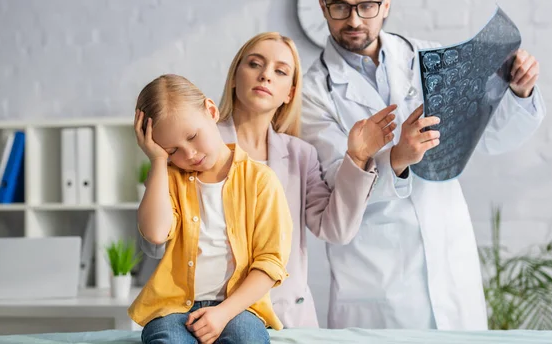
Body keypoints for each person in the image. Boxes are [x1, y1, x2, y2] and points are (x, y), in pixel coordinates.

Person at [301, 0, 546, 330]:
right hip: (374, 279)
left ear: (386, 5)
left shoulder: (431, 59)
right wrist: (395, 159)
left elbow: (492, 137)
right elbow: (334, 181)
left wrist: (519, 92)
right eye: (340, 6)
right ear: (322, 6)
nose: (354, 20)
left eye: (366, 6)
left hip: (449, 259)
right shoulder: (311, 91)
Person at [140, 32, 398, 328]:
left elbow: (335, 230)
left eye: (280, 71)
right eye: (254, 64)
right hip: (206, 316)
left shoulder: (301, 155)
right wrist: (159, 162)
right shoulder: (192, 146)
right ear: (235, 76)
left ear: (290, 92)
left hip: (286, 315)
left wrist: (357, 158)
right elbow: (155, 246)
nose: (265, 76)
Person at [129, 74, 292, 344]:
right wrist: (158, 161)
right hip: (172, 309)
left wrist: (222, 313)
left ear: (212, 111)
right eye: (172, 150)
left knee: (247, 339)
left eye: (193, 136)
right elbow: (156, 233)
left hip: (238, 308)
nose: (189, 154)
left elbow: (271, 263)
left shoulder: (260, 180)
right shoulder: (167, 178)